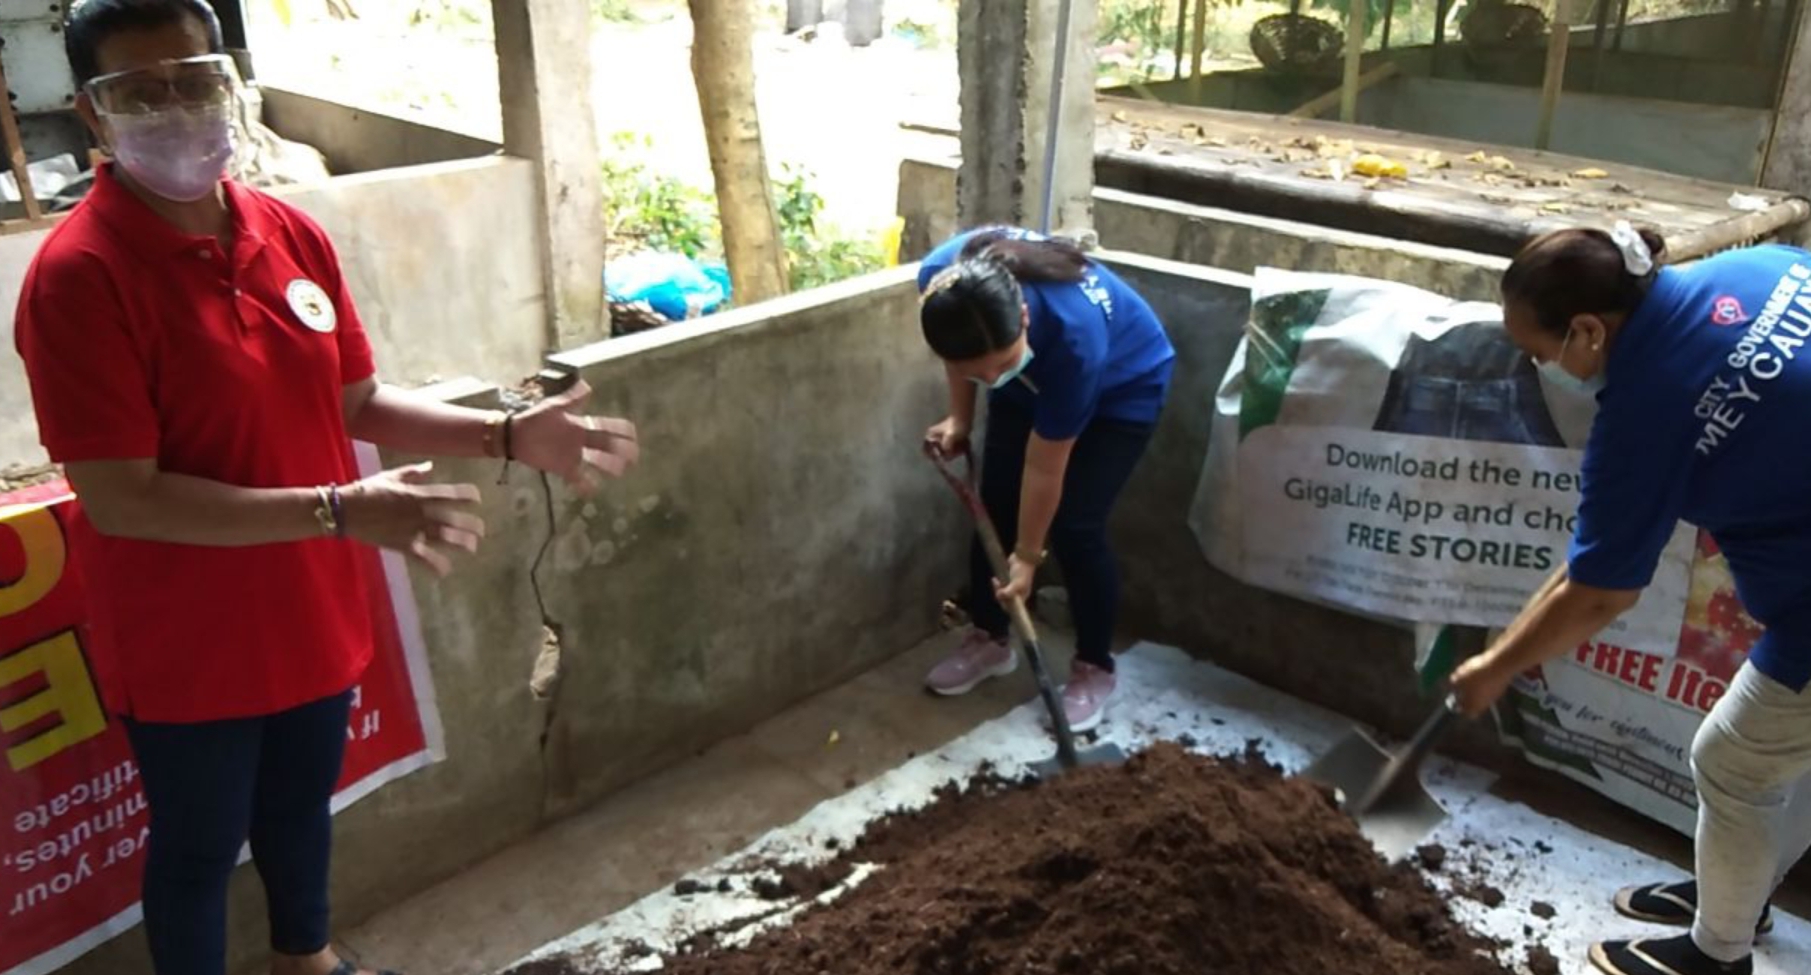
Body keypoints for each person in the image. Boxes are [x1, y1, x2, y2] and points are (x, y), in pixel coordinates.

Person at [13, 3, 640, 975]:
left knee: (300, 806)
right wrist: (340, 510)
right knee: (199, 850)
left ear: (228, 82)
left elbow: (356, 400)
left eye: (194, 79)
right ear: (93, 114)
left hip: (310, 604)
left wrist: (508, 433)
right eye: (140, 90)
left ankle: (305, 961)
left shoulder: (287, 232)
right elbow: (122, 498)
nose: (175, 107)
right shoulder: (79, 278)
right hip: (187, 641)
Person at [1449, 222, 1811, 975]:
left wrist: (1493, 671)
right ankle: (1739, 891)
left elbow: (1600, 594)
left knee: (1733, 761)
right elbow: (1590, 567)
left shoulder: (1649, 404)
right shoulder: (1754, 268)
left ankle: (1717, 954)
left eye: (1540, 352)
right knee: (1782, 754)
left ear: (1587, 330)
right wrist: (1506, 647)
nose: (1540, 367)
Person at [916, 227, 1175, 731]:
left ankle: (1095, 667)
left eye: (1001, 364)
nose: (990, 379)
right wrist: (960, 419)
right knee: (994, 504)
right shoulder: (941, 283)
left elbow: (1044, 465)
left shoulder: (1075, 337)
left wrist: (1028, 558)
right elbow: (963, 358)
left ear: (1024, 317)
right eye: (980, 372)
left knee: (1076, 525)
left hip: (1123, 389)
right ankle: (991, 640)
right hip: (1031, 381)